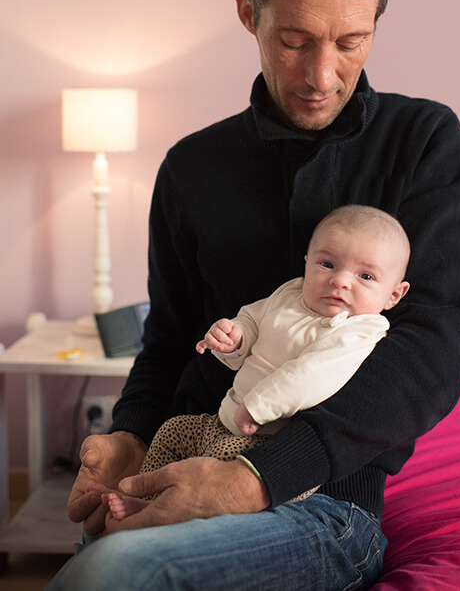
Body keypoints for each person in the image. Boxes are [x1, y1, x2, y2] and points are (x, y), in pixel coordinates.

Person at [45, 0, 460, 591]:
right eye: (294, 39)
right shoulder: (192, 165)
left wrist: (252, 480)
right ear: (248, 12)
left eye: (350, 41)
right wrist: (127, 435)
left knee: (111, 575)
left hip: (326, 504)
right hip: (177, 462)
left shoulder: (423, 142)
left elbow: (429, 351)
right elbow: (169, 342)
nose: (321, 75)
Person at [93, 205, 411, 521]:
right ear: (307, 262)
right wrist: (234, 338)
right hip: (221, 422)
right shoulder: (290, 294)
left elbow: (313, 375)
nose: (340, 281)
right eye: (327, 264)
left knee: (215, 470)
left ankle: (159, 515)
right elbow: (252, 320)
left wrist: (259, 407)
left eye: (365, 276)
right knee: (172, 432)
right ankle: (143, 499)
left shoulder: (363, 328)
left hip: (270, 447)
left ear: (393, 296)